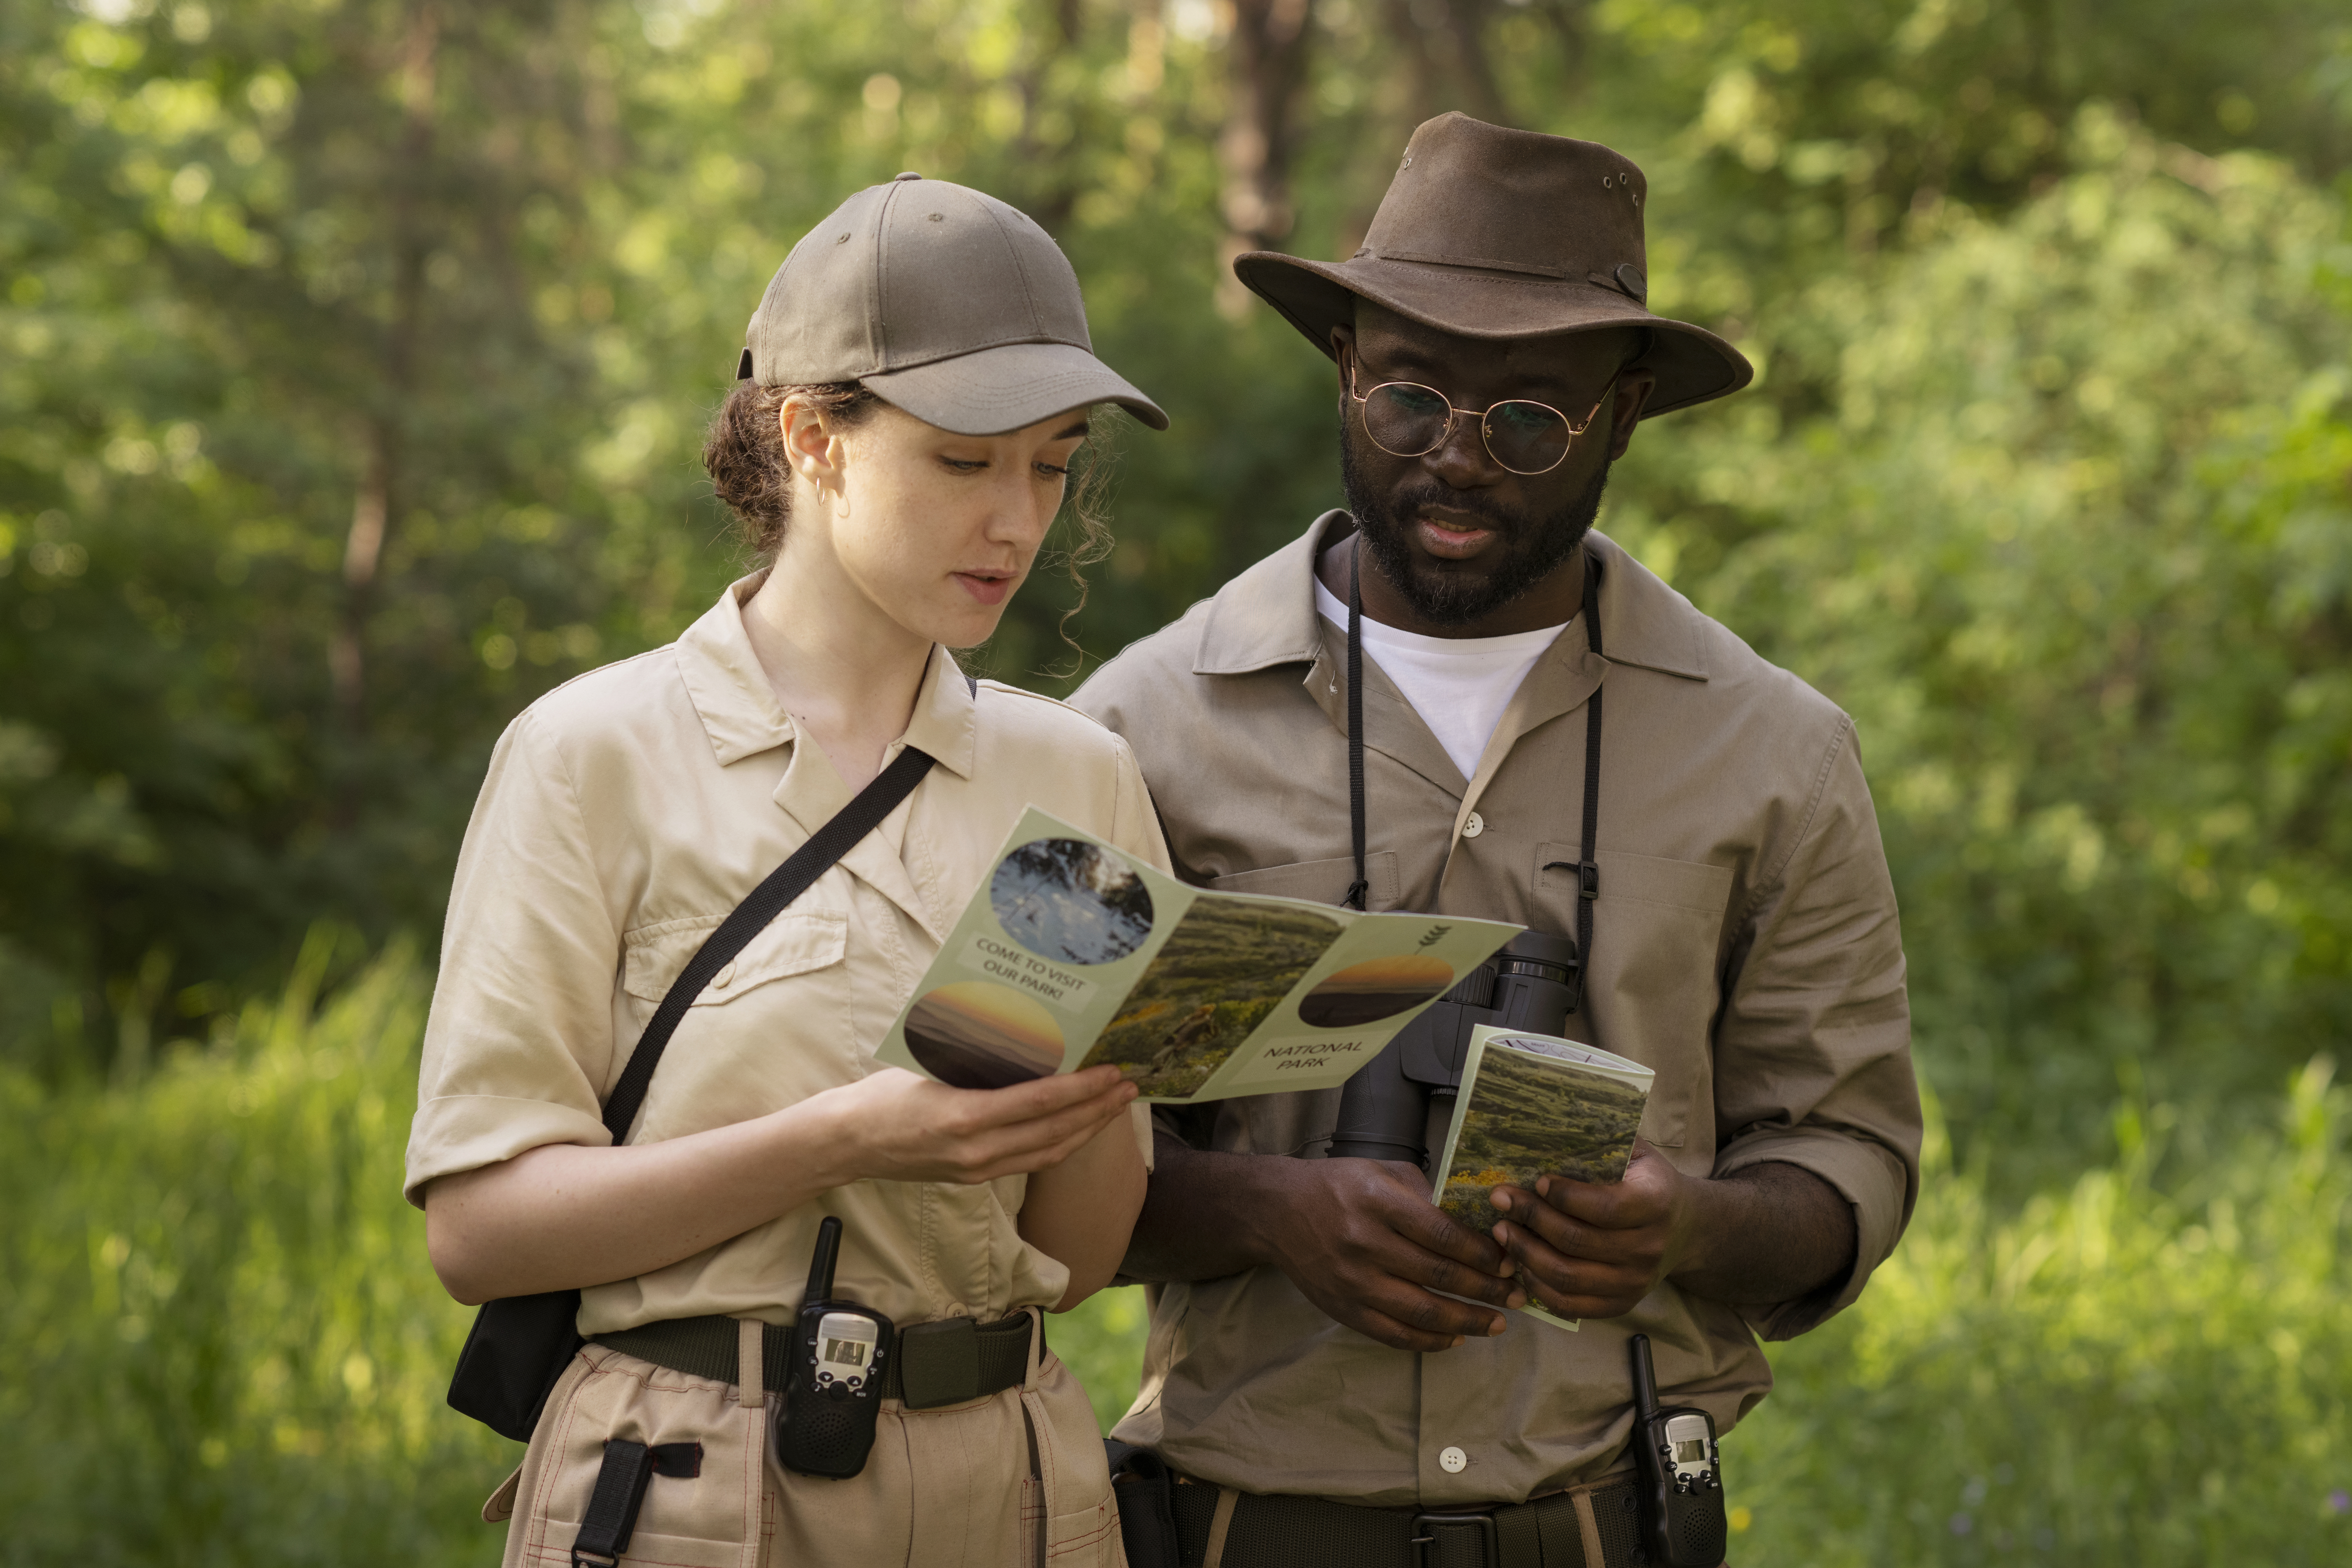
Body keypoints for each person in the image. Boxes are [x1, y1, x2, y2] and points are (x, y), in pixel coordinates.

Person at [1073, 114, 1923, 1566]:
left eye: (1531, 421)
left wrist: (1688, 1228)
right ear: (1342, 370)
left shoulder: (1775, 749)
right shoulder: (1134, 728)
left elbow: (1853, 1159)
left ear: (1629, 409)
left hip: (1612, 1523)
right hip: (1235, 1527)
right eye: (1410, 401)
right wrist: (1270, 1210)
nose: (1458, 462)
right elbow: (1020, 1143)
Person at [406, 172, 1168, 1568]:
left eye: (1054, 464)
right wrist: (841, 1141)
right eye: (966, 461)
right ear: (814, 438)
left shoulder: (1079, 777)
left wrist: (1115, 1087)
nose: (1019, 520)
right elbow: (482, 1228)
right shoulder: (592, 755)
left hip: (1023, 1489)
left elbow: (1084, 1250)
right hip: (694, 1492)